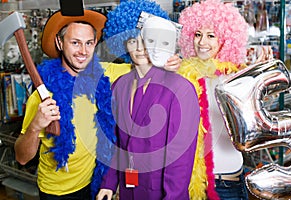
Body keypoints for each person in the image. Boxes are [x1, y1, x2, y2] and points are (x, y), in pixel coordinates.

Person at [14, 6, 182, 200]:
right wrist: (35, 127)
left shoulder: (104, 74)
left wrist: (169, 60)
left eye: (89, 43)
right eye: (75, 43)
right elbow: (21, 158)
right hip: (57, 192)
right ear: (60, 43)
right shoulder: (43, 96)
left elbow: (142, 64)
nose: (83, 51)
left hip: (95, 184)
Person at [97, 0, 200, 199]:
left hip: (161, 192)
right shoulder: (119, 85)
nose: (141, 47)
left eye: (148, 40)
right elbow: (118, 141)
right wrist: (109, 183)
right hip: (129, 189)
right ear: (125, 43)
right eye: (133, 40)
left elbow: (180, 158)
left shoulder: (180, 89)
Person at [177, 0, 273, 199]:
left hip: (230, 180)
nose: (202, 42)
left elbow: (258, 120)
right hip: (194, 183)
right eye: (197, 34)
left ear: (226, 40)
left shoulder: (235, 78)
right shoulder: (182, 76)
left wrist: (261, 76)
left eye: (211, 36)